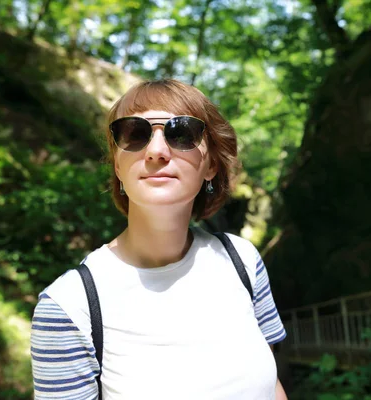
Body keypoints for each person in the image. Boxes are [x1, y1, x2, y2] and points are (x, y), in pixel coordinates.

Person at [30, 79, 288, 399]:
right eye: (135, 134)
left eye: (182, 133)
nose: (156, 151)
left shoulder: (242, 260)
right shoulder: (69, 306)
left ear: (210, 165)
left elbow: (272, 385)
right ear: (118, 166)